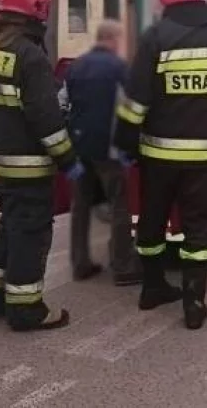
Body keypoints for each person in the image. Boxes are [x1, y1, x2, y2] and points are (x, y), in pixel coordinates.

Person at [113, 0, 207, 330]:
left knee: (152, 223)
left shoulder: (155, 37)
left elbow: (135, 101)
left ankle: (152, 288)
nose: (155, 4)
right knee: (197, 230)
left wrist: (124, 142)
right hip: (205, 157)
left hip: (156, 157)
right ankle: (194, 302)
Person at [0, 0, 84, 331]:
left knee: (11, 226)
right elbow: (48, 124)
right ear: (38, 10)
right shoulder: (30, 57)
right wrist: (70, 162)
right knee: (32, 232)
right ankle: (26, 309)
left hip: (0, 163)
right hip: (30, 167)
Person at [64, 19, 142, 286]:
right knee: (120, 206)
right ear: (113, 39)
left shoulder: (76, 65)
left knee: (81, 205)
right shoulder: (119, 68)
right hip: (109, 149)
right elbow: (131, 108)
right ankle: (122, 266)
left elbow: (63, 104)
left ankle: (80, 262)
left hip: (79, 147)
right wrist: (130, 146)